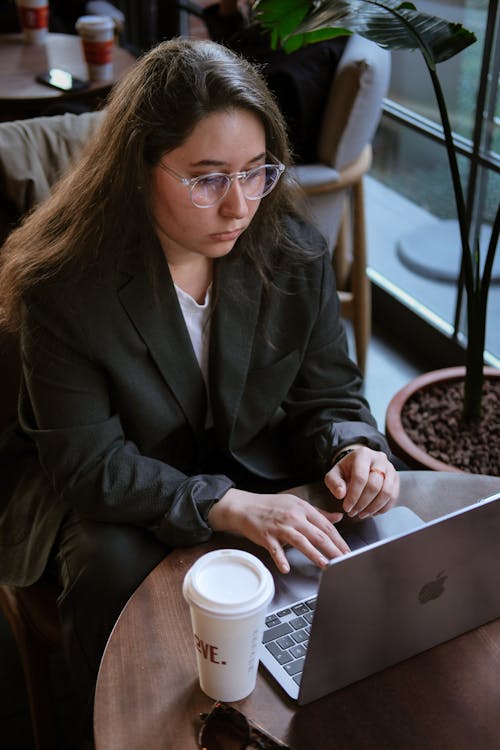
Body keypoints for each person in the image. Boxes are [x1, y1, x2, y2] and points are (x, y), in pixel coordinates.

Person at [0, 38, 399, 737]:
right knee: (110, 559)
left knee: (349, 523)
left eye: (256, 172)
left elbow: (328, 395)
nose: (239, 205)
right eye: (207, 177)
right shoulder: (65, 289)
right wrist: (227, 503)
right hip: (100, 482)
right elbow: (91, 468)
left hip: (241, 456)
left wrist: (352, 450)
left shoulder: (290, 251)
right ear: (138, 171)